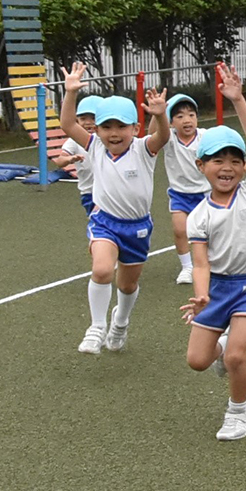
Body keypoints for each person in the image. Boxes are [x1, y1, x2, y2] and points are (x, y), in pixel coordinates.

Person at [179, 63, 246, 441]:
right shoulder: (197, 215)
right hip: (217, 289)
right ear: (201, 166)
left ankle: (238, 413)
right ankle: (218, 345)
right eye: (218, 160)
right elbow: (200, 261)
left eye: (235, 160)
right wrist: (202, 294)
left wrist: (238, 99)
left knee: (237, 356)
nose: (228, 167)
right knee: (198, 361)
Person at [59, 62, 171, 354]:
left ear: (135, 128)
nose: (114, 133)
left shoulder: (143, 148)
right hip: (105, 221)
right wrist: (70, 93)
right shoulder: (94, 145)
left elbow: (163, 138)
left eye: (121, 126)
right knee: (101, 270)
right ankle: (96, 327)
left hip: (137, 227)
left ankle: (119, 321)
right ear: (97, 130)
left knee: (127, 285)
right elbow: (68, 125)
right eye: (106, 126)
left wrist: (160, 116)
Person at [163, 94, 211, 285]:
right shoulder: (169, 139)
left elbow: (222, 149)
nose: (187, 120)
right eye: (180, 116)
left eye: (191, 115)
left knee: (211, 232)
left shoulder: (205, 136)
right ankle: (187, 267)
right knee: (179, 230)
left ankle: (211, 262)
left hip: (206, 193)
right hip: (179, 194)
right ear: (171, 122)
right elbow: (155, 132)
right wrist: (159, 113)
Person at [54, 94, 103, 216]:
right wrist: (70, 158)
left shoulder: (108, 138)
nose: (88, 123)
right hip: (89, 192)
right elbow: (60, 161)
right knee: (98, 225)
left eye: (93, 118)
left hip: (111, 191)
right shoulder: (74, 141)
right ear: (77, 120)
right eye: (83, 119)